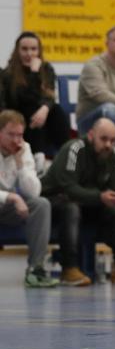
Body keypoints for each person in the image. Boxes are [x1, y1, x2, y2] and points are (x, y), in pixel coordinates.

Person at [40, 118, 115, 286]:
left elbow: (113, 187)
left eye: (113, 140)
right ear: (91, 135)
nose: (109, 144)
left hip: (89, 203)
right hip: (56, 200)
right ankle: (69, 268)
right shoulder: (74, 148)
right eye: (103, 139)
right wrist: (100, 197)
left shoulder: (114, 154)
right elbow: (68, 188)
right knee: (71, 207)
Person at [0, 110, 58, 287]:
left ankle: (35, 269)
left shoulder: (23, 149)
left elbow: (34, 192)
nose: (16, 140)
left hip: (7, 208)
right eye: (11, 134)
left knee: (41, 205)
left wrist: (20, 165)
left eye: (20, 135)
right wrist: (13, 197)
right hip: (7, 200)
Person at [0, 32, 71, 156]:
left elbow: (50, 95)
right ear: (17, 51)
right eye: (24, 49)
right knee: (33, 108)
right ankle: (38, 156)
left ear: (39, 51)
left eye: (33, 49)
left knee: (56, 110)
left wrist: (45, 109)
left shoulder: (46, 69)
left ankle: (67, 154)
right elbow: (23, 98)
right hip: (20, 119)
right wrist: (33, 73)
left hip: (41, 121)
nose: (29, 53)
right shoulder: (8, 73)